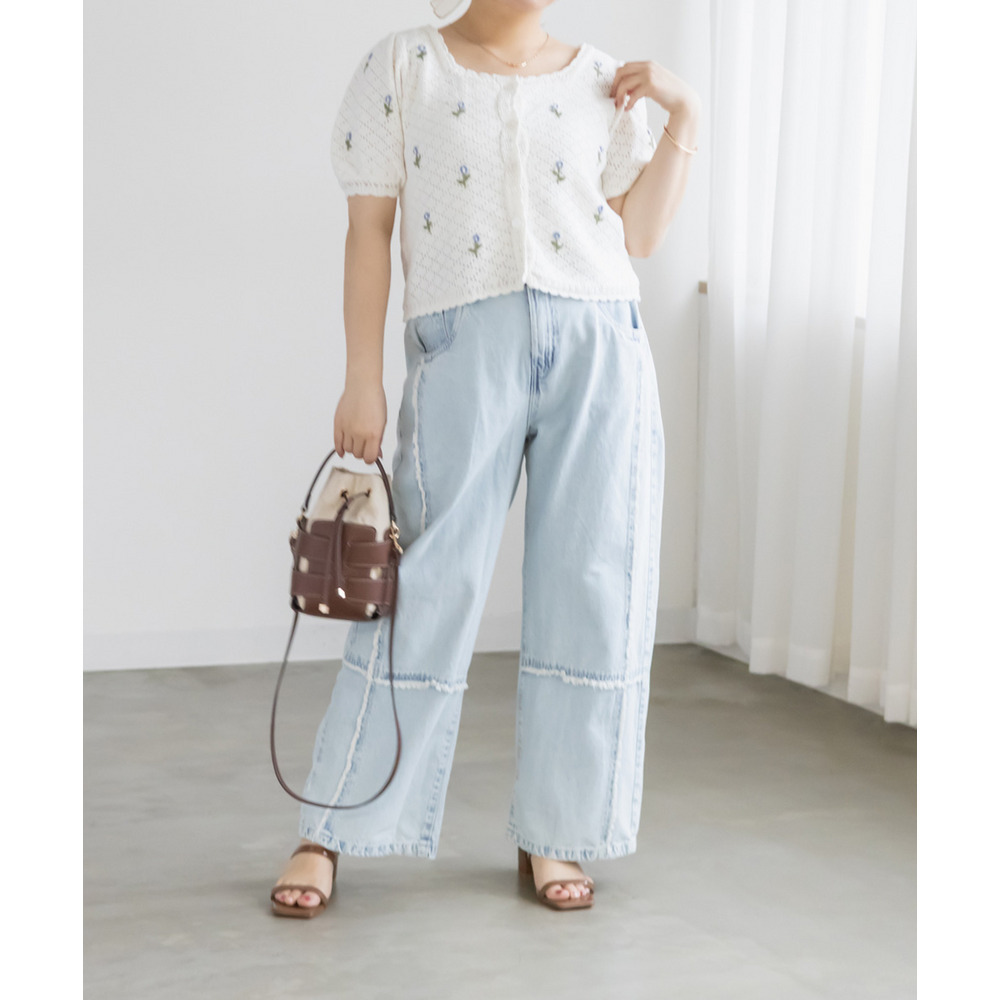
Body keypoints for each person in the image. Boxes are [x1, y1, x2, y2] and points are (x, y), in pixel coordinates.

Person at [271, 0, 701, 916]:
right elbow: (368, 232)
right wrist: (362, 379)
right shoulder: (404, 66)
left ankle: (558, 827)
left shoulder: (602, 79)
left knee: (595, 586)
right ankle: (330, 827)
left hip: (602, 349)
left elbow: (639, 236)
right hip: (467, 348)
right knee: (423, 587)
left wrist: (685, 117)